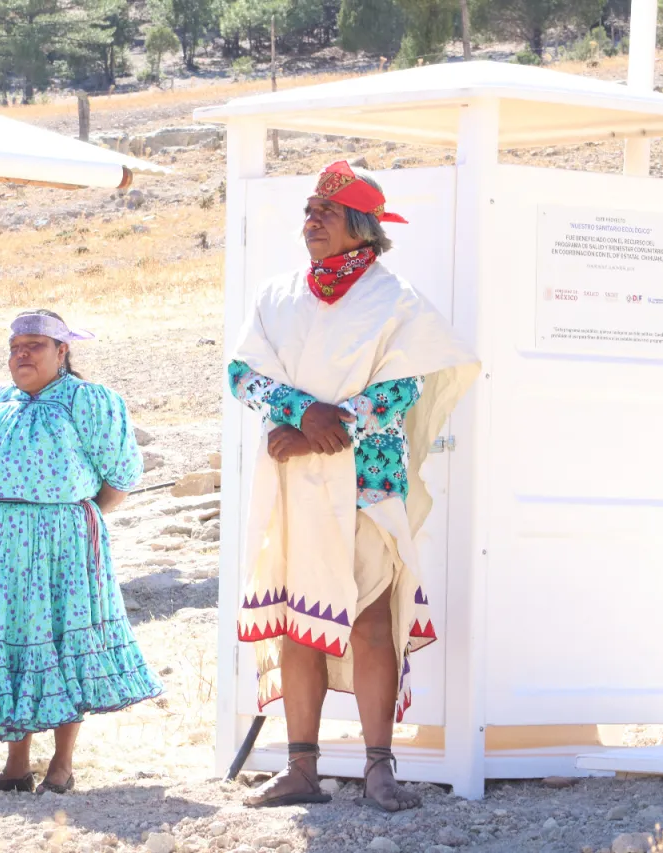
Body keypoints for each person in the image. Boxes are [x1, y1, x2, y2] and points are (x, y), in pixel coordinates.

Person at [228, 161, 479, 811]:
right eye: (308, 209)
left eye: (326, 213)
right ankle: (302, 770)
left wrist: (324, 425)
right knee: (297, 621)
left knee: (368, 620)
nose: (310, 221)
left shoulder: (395, 301)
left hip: (367, 483)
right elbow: (242, 372)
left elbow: (405, 385)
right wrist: (294, 415)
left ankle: (378, 769)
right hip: (296, 483)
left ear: (361, 230)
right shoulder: (279, 296)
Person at [0, 309, 163, 796]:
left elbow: (121, 475)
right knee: (8, 638)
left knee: (61, 644)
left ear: (62, 352)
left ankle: (62, 765)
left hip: (62, 541)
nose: (21, 354)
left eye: (35, 345)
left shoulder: (88, 402)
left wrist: (74, 516)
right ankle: (15, 766)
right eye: (16, 345)